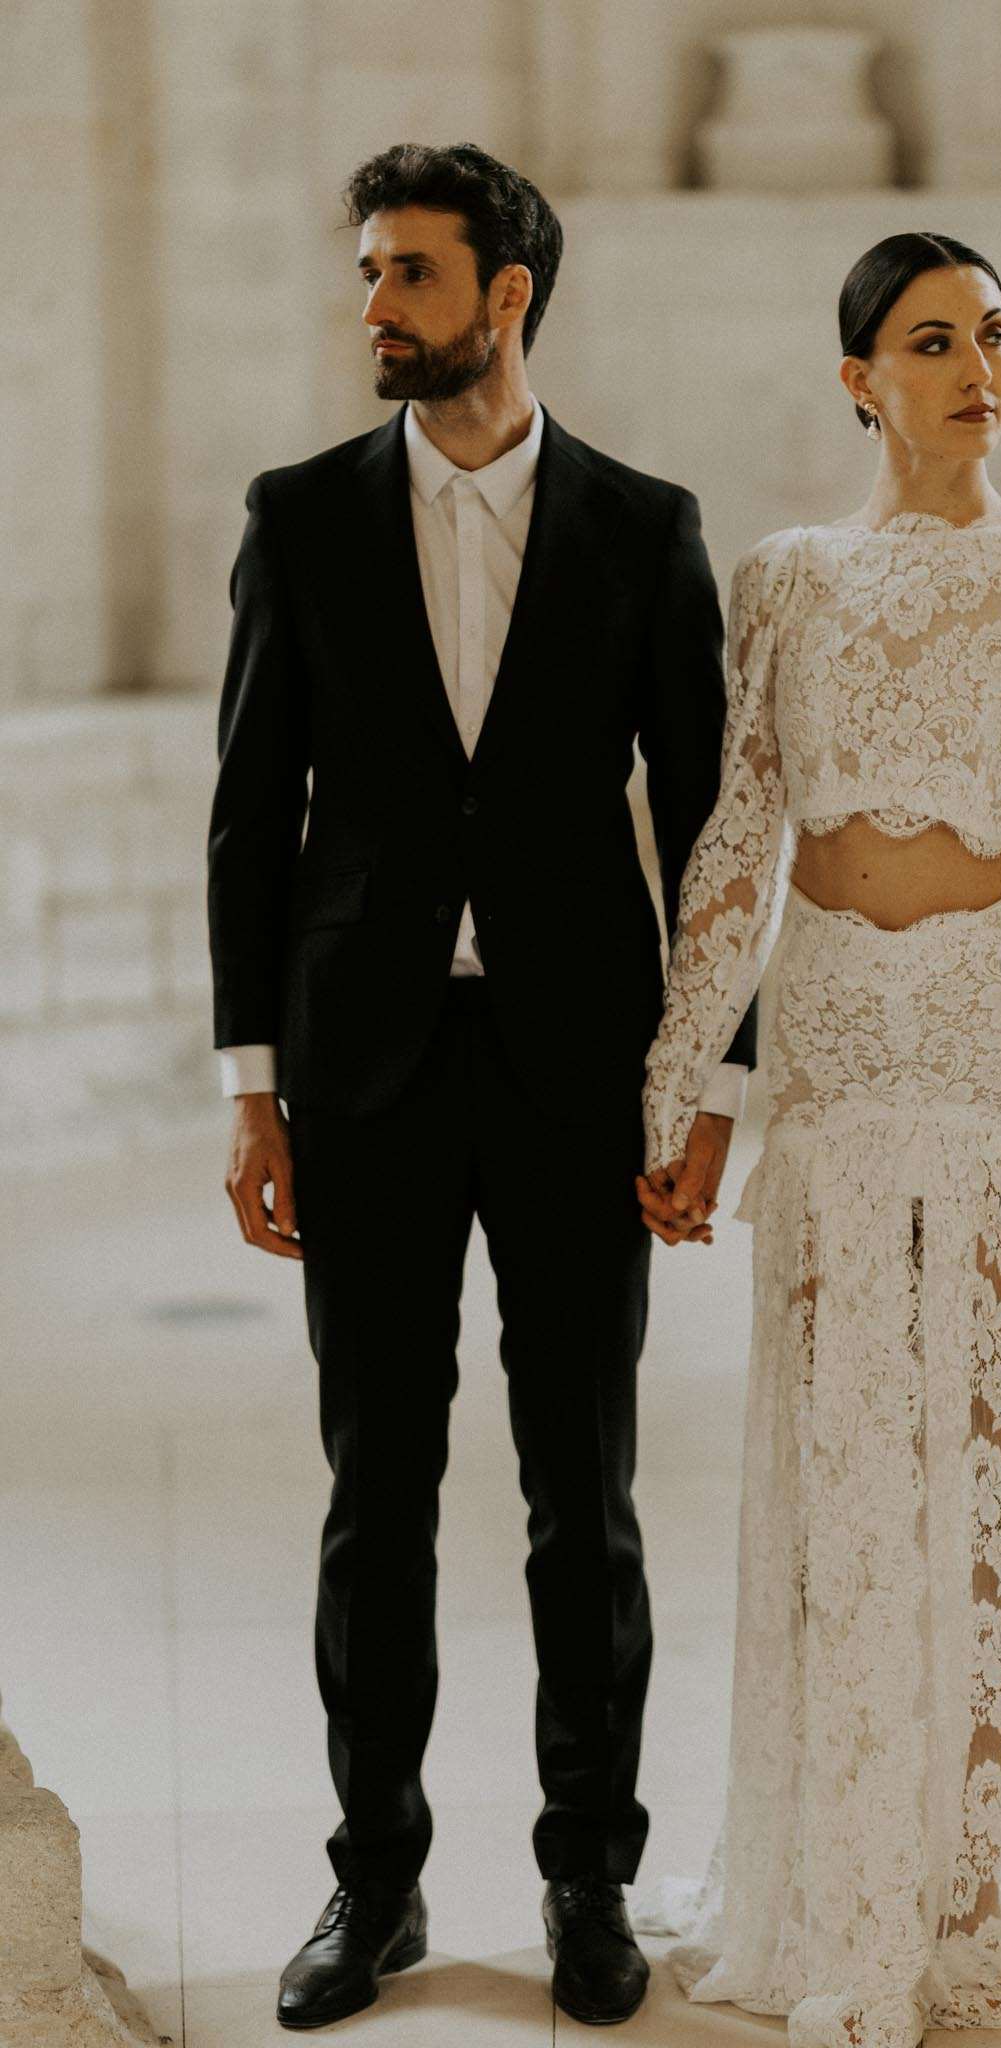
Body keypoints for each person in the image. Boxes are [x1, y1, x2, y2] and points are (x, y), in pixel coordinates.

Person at [207, 141, 756, 2031]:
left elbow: (707, 826)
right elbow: (246, 824)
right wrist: (251, 1088)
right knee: (378, 1495)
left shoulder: (643, 526)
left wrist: (707, 1086)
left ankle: (588, 1877)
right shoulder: (297, 516)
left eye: (409, 278)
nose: (374, 308)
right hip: (357, 1070)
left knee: (577, 1499)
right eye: (366, 274)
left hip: (573, 1074)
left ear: (504, 294)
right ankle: (374, 1890)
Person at [633, 232, 1001, 2047]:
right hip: (840, 1063)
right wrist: (681, 1087)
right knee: (844, 1460)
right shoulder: (785, 580)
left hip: (996, 1054)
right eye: (933, 339)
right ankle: (840, 1871)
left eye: (995, 334)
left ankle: (968, 1881)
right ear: (857, 376)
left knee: (997, 1464)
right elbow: (732, 848)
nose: (977, 366)